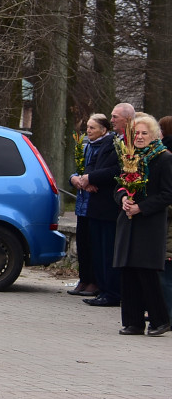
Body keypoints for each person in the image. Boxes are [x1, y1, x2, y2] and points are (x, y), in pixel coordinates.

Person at [113, 114, 172, 336]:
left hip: (149, 224)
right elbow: (118, 186)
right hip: (128, 222)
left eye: (144, 133)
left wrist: (142, 207)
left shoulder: (164, 158)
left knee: (146, 273)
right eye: (136, 133)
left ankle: (159, 320)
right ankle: (133, 322)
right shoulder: (129, 157)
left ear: (154, 135)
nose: (139, 137)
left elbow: (168, 194)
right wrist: (123, 199)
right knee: (127, 271)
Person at [69, 114, 118, 301]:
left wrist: (89, 179)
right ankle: (84, 278)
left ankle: (95, 281)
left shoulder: (109, 145)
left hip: (97, 202)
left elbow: (99, 171)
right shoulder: (85, 146)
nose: (88, 131)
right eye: (87, 127)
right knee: (83, 243)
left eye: (92, 128)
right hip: (83, 202)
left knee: (95, 245)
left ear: (103, 130)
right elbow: (82, 169)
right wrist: (76, 178)